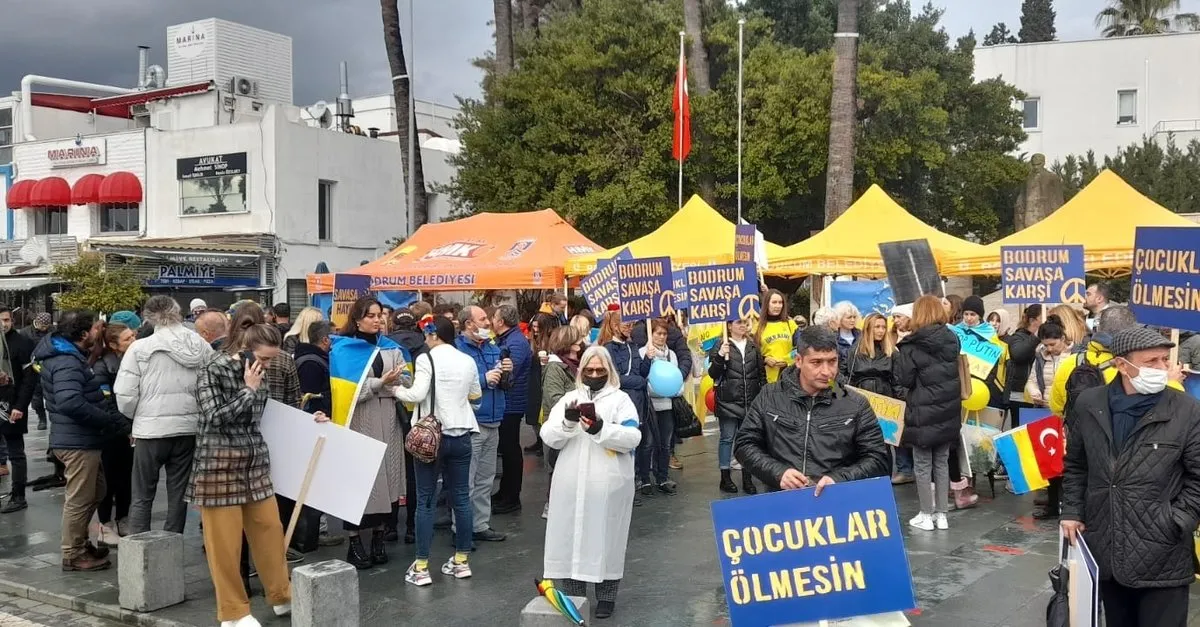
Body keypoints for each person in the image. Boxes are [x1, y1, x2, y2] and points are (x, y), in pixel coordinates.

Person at [1061, 326, 1200, 627]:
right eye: (1151, 361)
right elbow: (1076, 465)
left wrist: (1177, 520)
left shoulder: (1186, 409)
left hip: (1164, 555)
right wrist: (1071, 511)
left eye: (1164, 359)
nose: (1162, 368)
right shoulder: (1089, 404)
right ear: (1122, 365)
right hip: (1106, 547)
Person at [191, 321, 302, 627]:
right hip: (218, 464)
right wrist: (248, 390)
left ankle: (281, 594)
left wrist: (309, 421)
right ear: (246, 349)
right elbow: (214, 417)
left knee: (270, 529)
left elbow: (266, 414)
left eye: (271, 359)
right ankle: (233, 611)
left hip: (254, 462)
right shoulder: (213, 369)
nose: (267, 365)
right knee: (224, 544)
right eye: (264, 358)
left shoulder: (258, 371)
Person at [541, 345, 642, 620]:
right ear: (581, 370)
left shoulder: (621, 400)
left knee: (607, 539)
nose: (595, 374)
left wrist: (601, 429)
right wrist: (567, 423)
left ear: (609, 371)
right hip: (571, 482)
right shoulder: (569, 399)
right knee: (570, 538)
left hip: (608, 484)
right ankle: (574, 596)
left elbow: (633, 436)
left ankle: (606, 597)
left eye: (600, 370)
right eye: (589, 369)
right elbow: (548, 436)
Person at [735, 326, 890, 493]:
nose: (826, 371)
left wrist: (839, 479)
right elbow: (744, 444)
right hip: (782, 499)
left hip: (837, 501)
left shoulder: (855, 404)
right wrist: (778, 473)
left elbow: (877, 458)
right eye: (816, 362)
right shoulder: (770, 396)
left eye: (832, 361)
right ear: (799, 361)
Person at [35, 310, 128, 571]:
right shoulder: (66, 361)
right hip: (77, 442)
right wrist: (104, 419)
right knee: (80, 499)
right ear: (84, 333)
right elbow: (70, 401)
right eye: (96, 328)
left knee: (96, 491)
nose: (100, 332)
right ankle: (73, 553)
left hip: (81, 439)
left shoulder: (70, 355)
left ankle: (80, 543)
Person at [115, 295, 215, 536]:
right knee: (179, 494)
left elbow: (125, 395)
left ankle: (140, 543)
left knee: (142, 494)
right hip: (188, 428)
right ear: (178, 312)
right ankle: (173, 541)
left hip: (150, 431)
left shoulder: (139, 348)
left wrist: (137, 417)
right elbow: (213, 384)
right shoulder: (201, 345)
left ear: (149, 318)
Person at [394, 316, 481, 587]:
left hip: (431, 438)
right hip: (462, 435)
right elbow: (476, 398)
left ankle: (421, 567)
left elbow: (417, 394)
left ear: (433, 335)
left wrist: (396, 388)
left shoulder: (426, 359)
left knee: (426, 500)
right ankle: (461, 561)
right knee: (462, 499)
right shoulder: (467, 360)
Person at [337, 297, 408, 569]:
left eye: (380, 315)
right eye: (371, 315)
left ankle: (379, 538)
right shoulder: (344, 349)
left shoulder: (392, 348)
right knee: (360, 480)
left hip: (389, 419)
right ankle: (355, 542)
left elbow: (407, 381)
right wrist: (381, 383)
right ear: (357, 319)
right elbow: (348, 392)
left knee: (387, 477)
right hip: (359, 420)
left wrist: (394, 382)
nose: (378, 320)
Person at [894, 295, 963, 531]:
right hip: (948, 408)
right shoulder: (952, 338)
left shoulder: (911, 345)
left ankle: (926, 514)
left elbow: (905, 379)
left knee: (922, 464)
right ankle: (942, 515)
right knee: (942, 462)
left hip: (922, 410)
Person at [455, 305, 511, 542]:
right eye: (483, 319)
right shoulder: (457, 350)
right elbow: (456, 385)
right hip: (472, 423)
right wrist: (483, 380)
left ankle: (479, 525)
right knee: (466, 481)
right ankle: (461, 529)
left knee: (485, 479)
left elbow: (506, 384)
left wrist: (507, 372)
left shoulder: (492, 347)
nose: (488, 322)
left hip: (493, 421)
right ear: (468, 324)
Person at [845, 312, 909, 484]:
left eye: (883, 327)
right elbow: (845, 376)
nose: (881, 331)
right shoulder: (855, 351)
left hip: (885, 401)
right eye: (877, 327)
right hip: (861, 400)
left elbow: (897, 381)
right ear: (868, 329)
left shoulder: (891, 352)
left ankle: (884, 482)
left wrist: (902, 405)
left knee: (883, 444)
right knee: (860, 442)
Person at [89, 322, 136, 545]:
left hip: (128, 429)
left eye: (133, 336)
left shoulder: (131, 360)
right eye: (127, 339)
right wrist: (127, 428)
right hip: (109, 431)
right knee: (108, 479)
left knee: (126, 478)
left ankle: (123, 518)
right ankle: (105, 525)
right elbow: (106, 404)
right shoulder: (101, 367)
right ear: (113, 344)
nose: (133, 341)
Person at [708, 316, 765, 495]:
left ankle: (747, 477)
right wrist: (720, 355)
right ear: (729, 325)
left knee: (747, 440)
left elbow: (760, 373)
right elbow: (713, 373)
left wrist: (762, 396)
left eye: (745, 322)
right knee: (727, 438)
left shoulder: (753, 346)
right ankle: (725, 477)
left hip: (750, 401)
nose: (743, 326)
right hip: (728, 400)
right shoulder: (720, 345)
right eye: (739, 322)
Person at [541, 326, 585, 517]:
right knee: (558, 467)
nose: (581, 341)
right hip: (559, 426)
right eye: (577, 338)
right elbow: (554, 398)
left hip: (577, 425)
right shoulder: (555, 368)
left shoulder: (577, 365)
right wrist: (577, 403)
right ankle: (552, 506)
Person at [492, 305, 532, 514]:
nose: (491, 321)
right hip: (508, 401)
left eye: (494, 317)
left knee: (510, 449)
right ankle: (504, 491)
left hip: (511, 402)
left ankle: (511, 496)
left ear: (501, 322)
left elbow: (509, 373)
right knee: (507, 448)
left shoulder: (515, 342)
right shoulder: (509, 339)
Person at [0, 305, 37, 514]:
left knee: (15, 452)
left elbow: (29, 379)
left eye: (6, 320)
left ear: (12, 321)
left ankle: (18, 495)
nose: (3, 324)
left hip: (13, 405)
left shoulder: (22, 342)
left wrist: (20, 406)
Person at [638, 319, 682, 495]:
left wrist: (673, 391)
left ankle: (662, 477)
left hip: (667, 405)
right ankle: (644, 479)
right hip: (650, 405)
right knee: (648, 443)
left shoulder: (672, 355)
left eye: (664, 334)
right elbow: (643, 377)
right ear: (651, 334)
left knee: (665, 444)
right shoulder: (643, 352)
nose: (662, 337)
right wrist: (657, 390)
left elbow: (676, 379)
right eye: (658, 333)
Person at [524, 312, 560, 455]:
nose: (535, 330)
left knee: (543, 412)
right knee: (533, 412)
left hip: (544, 378)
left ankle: (544, 441)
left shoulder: (552, 342)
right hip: (533, 379)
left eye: (538, 327)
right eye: (533, 327)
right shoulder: (531, 341)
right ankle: (539, 440)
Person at [755, 289, 797, 384]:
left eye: (780, 302)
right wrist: (765, 359)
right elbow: (751, 351)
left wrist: (788, 360)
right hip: (765, 378)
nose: (777, 306)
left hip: (789, 376)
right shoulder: (757, 326)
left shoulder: (790, 324)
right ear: (767, 304)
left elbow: (801, 347)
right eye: (774, 302)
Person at [23, 312, 51, 430]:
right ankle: (42, 418)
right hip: (33, 369)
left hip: (49, 367)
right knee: (36, 397)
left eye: (46, 326)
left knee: (53, 394)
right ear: (37, 322)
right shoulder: (25, 332)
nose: (44, 328)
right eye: (42, 326)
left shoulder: (52, 331)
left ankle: (55, 418)